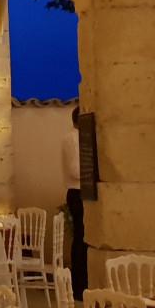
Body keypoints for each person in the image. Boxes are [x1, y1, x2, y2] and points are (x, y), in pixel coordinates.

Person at [61, 105, 88, 297]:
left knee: (84, 237)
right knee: (80, 238)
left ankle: (83, 282)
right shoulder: (72, 139)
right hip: (76, 192)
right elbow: (74, 170)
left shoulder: (78, 138)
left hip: (81, 192)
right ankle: (79, 285)